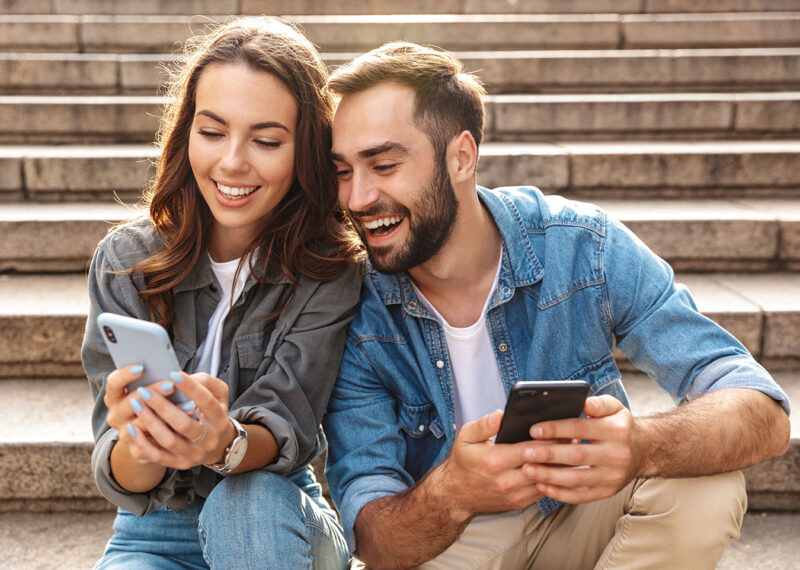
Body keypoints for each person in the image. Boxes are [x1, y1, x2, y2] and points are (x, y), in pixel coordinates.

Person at [322, 42, 792, 569]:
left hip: (582, 511)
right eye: (343, 171)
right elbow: (375, 540)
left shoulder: (580, 245)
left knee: (707, 485)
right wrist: (453, 491)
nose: (357, 198)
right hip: (457, 538)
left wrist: (641, 444)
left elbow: (762, 411)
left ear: (461, 157)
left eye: (384, 165)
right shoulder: (351, 307)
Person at [82, 17, 362, 569]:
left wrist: (221, 442)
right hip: (156, 530)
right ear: (186, 133)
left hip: (274, 512)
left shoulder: (330, 270)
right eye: (212, 133)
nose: (233, 161)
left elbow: (289, 424)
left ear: (305, 148)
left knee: (245, 504)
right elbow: (121, 476)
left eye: (266, 141)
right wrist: (142, 442)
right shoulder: (125, 262)